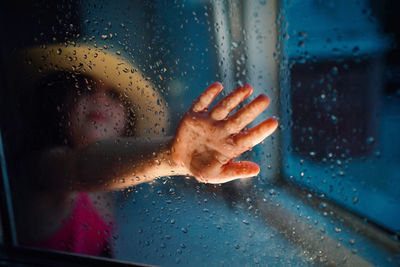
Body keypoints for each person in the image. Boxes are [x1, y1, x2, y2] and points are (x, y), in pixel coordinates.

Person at [12, 43, 278, 257]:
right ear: (61, 103)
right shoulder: (45, 167)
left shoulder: (114, 193)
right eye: (86, 88)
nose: (100, 99)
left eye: (114, 95)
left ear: (126, 121)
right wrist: (173, 157)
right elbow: (82, 167)